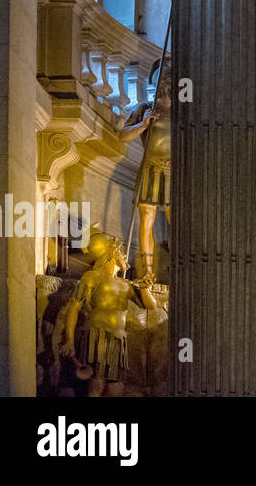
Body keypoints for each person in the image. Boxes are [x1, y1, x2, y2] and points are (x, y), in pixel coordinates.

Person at [57, 232, 157, 396]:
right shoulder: (92, 277)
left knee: (116, 390)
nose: (123, 255)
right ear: (110, 252)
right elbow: (74, 307)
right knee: (97, 385)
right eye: (118, 250)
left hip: (119, 340)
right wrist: (69, 340)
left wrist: (145, 288)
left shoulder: (126, 284)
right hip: (97, 336)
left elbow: (150, 305)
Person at [119, 89, 171, 281]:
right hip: (150, 168)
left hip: (174, 171)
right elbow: (123, 135)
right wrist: (143, 124)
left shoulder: (184, 110)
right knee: (146, 218)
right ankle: (148, 271)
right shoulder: (145, 108)